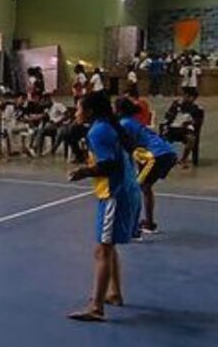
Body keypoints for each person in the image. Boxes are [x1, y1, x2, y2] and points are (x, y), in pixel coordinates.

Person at [67, 92, 141, 322]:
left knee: (102, 250)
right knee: (108, 247)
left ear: (89, 111)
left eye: (79, 108)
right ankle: (114, 293)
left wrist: (83, 172)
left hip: (114, 194)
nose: (76, 112)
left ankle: (96, 307)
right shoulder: (108, 127)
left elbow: (109, 165)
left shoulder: (98, 131)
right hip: (121, 191)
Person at [116, 97, 177, 235]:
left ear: (119, 110)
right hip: (168, 153)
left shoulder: (124, 124)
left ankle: (134, 227)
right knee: (145, 187)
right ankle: (149, 223)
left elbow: (125, 148)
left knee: (136, 189)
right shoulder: (133, 121)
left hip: (156, 155)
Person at [161, 88, 203, 168]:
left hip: (184, 130)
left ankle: (183, 159)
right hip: (172, 129)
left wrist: (189, 124)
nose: (184, 97)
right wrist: (165, 126)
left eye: (187, 96)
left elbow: (197, 123)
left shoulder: (197, 109)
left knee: (191, 139)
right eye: (184, 95)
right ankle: (163, 157)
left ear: (192, 98)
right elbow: (168, 117)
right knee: (162, 136)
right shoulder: (176, 105)